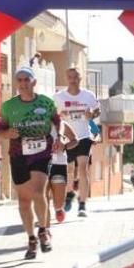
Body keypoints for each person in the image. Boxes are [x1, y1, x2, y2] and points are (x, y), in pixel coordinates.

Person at [0, 67, 63, 259]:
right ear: (16, 83)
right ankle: (31, 238)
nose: (23, 83)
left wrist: (58, 136)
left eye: (27, 79)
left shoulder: (46, 102)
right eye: (20, 80)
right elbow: (0, 131)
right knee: (24, 201)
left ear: (34, 82)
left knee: (38, 191)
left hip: (41, 152)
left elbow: (57, 121)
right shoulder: (8, 107)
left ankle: (43, 230)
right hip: (18, 154)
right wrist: (7, 134)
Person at [55, 67, 101, 218]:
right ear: (66, 78)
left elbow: (97, 110)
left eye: (76, 77)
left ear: (80, 79)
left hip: (83, 136)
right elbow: (52, 115)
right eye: (70, 77)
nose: (73, 80)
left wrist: (92, 114)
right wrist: (59, 115)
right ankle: (69, 194)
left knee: (82, 168)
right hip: (67, 137)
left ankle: (82, 205)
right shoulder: (59, 97)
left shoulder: (88, 95)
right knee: (68, 169)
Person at [48, 121, 78, 224]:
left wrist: (64, 147)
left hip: (59, 164)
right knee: (42, 194)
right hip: (40, 163)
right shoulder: (36, 122)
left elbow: (75, 140)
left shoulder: (62, 124)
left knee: (58, 204)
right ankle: (44, 220)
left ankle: (59, 209)